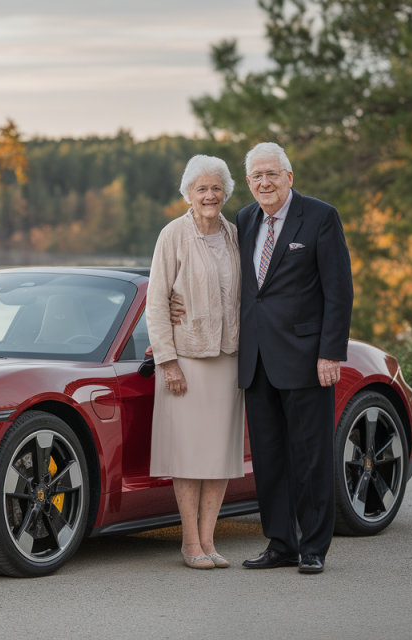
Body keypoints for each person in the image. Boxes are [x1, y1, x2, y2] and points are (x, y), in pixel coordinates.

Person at [174, 143, 353, 574]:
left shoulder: (320, 216)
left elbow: (339, 290)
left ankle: (312, 547)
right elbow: (227, 284)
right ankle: (280, 543)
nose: (264, 183)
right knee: (270, 459)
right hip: (254, 362)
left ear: (289, 177)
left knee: (311, 457)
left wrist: (330, 352)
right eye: (256, 176)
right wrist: (174, 314)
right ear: (249, 184)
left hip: (306, 359)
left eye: (272, 174)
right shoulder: (245, 220)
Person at [145, 155, 244, 570]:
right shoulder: (173, 235)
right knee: (188, 456)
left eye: (216, 187)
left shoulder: (237, 235)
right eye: (201, 188)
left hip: (228, 358)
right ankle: (189, 543)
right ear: (188, 193)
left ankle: (209, 541)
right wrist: (167, 361)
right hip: (186, 360)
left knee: (218, 455)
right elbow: (155, 303)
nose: (210, 195)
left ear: (226, 192)